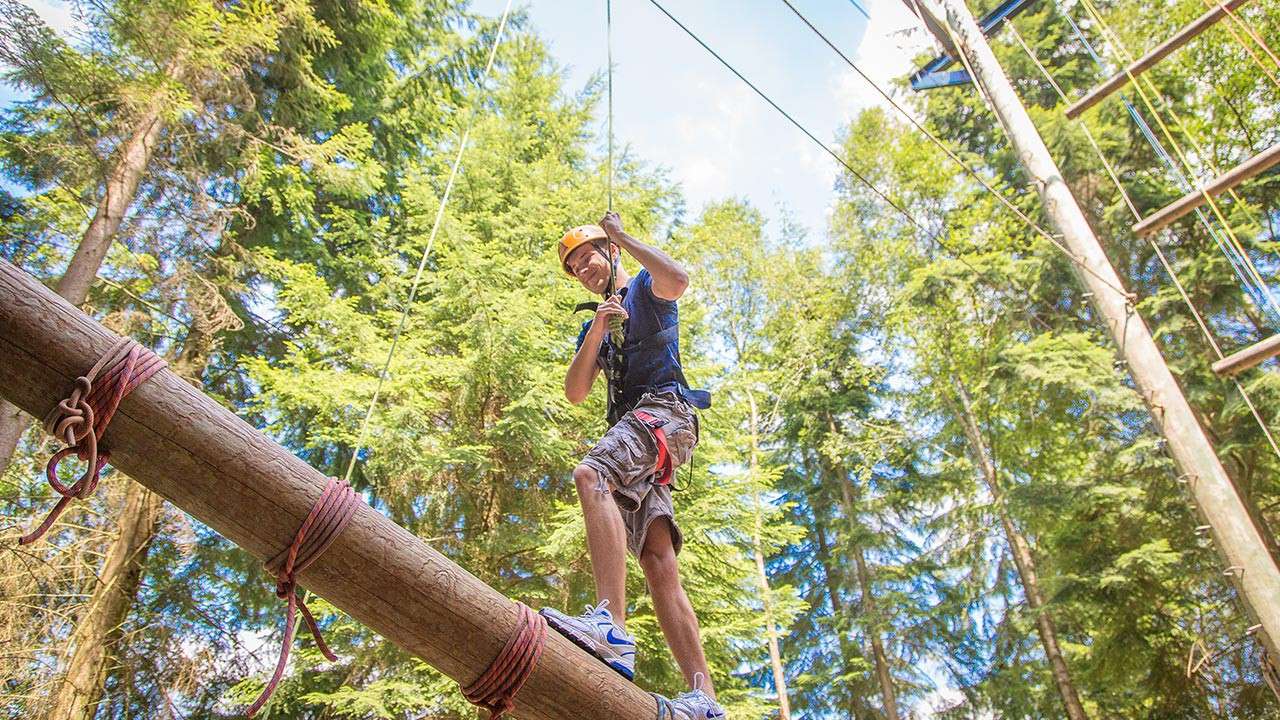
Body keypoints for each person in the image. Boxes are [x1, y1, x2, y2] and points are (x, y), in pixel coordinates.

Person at [539, 212, 725, 719]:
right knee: (658, 561)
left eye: (590, 256)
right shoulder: (598, 321)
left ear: (611, 251)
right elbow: (576, 392)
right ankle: (705, 700)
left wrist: (622, 236)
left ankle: (611, 627)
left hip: (665, 414)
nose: (584, 269)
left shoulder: (645, 289)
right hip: (644, 437)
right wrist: (597, 328)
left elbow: (679, 279)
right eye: (575, 268)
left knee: (591, 474)